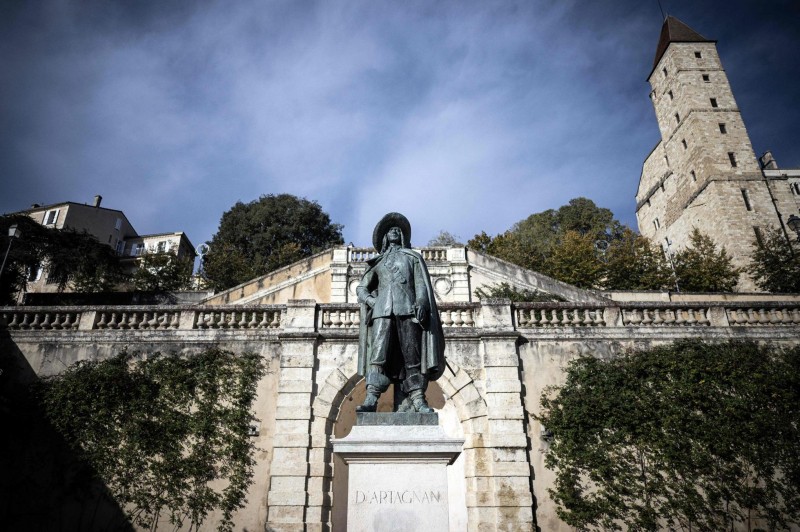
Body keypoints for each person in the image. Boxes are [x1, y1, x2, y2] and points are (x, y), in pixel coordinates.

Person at [356, 212, 445, 413]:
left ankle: (418, 399)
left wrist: (421, 302)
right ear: (385, 237)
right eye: (391, 230)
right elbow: (362, 288)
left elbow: (420, 285)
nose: (395, 231)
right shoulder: (377, 262)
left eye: (398, 230)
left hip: (408, 310)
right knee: (377, 356)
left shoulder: (413, 258)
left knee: (412, 355)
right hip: (382, 312)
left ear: (403, 236)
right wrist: (373, 301)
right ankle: (371, 398)